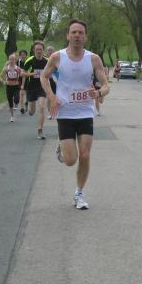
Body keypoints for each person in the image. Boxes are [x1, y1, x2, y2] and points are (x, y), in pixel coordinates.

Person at [41, 19, 109, 210]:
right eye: (74, 32)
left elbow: (106, 85)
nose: (77, 35)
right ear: (68, 36)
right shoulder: (57, 57)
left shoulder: (93, 59)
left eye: (80, 32)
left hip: (85, 112)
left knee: (85, 155)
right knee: (71, 160)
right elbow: (44, 77)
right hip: (65, 113)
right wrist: (52, 97)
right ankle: (62, 149)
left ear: (85, 36)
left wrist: (99, 93)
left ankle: (79, 193)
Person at [21, 41, 49, 140]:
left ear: (43, 50)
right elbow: (22, 73)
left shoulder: (47, 61)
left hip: (42, 87)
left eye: (40, 49)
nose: (39, 51)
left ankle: (40, 130)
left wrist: (47, 76)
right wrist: (32, 74)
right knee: (32, 111)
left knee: (41, 106)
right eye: (37, 49)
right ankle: (29, 108)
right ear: (34, 50)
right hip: (31, 87)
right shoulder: (30, 60)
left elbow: (51, 72)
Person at [0, 53, 22, 122]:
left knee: (16, 100)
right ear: (8, 60)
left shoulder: (18, 69)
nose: (11, 61)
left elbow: (23, 75)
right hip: (9, 87)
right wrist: (3, 81)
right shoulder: (6, 69)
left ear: (15, 60)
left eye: (13, 59)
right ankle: (12, 116)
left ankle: (16, 103)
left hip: (16, 86)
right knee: (10, 101)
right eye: (10, 59)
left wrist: (22, 83)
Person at [16, 49, 28, 114]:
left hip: (28, 78)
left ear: (26, 55)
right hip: (20, 79)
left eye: (24, 55)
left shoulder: (28, 61)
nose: (23, 56)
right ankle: (22, 108)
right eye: (21, 55)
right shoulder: (18, 62)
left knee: (27, 93)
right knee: (21, 93)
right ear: (20, 56)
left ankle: (26, 102)